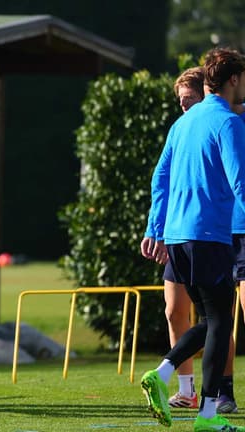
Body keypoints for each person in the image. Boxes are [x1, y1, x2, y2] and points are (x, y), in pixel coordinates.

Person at [139, 48, 245, 431]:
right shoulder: (228, 122)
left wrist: (155, 228)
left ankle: (164, 373)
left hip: (177, 237)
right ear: (233, 79)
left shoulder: (181, 124)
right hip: (209, 235)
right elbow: (241, 182)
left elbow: (160, 178)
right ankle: (206, 416)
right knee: (220, 321)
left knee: (215, 320)